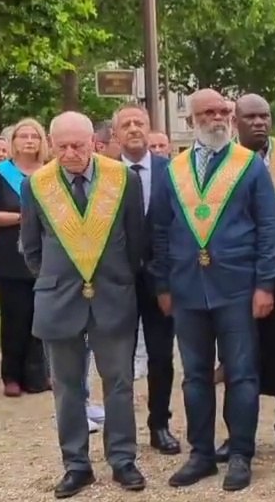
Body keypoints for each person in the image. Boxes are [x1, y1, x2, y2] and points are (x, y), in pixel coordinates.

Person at [150, 89, 275, 492]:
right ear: (191, 121)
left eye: (223, 110)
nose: (218, 117)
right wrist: (162, 284)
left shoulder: (250, 166)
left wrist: (265, 283)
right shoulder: (173, 170)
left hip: (239, 287)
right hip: (187, 289)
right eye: (207, 112)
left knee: (242, 374)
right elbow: (159, 230)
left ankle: (240, 453)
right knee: (194, 376)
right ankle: (201, 453)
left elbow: (268, 227)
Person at [22, 111, 147, 499]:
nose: (71, 153)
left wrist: (115, 277)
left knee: (119, 383)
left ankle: (123, 460)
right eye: (62, 147)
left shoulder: (122, 179)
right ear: (51, 144)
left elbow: (136, 241)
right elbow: (31, 248)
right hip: (59, 297)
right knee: (67, 387)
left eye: (78, 145)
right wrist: (60, 277)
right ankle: (76, 465)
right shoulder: (37, 185)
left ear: (94, 141)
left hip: (113, 293)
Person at [230, 93, 275, 464]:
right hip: (237, 275)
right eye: (251, 117)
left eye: (265, 116)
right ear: (235, 122)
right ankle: (238, 434)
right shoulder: (225, 160)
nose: (260, 123)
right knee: (238, 359)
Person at [111, 103, 182, 455]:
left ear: (150, 128)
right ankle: (121, 431)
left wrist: (167, 281)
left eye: (139, 122)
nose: (134, 128)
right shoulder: (106, 174)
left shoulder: (171, 171)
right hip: (118, 281)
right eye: (126, 124)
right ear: (116, 134)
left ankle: (160, 424)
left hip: (160, 280)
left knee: (160, 356)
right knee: (118, 358)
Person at [0, 118, 51, 397]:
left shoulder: (49, 172)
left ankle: (38, 374)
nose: (28, 141)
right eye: (23, 136)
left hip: (45, 255)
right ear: (14, 142)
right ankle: (11, 375)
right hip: (9, 256)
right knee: (14, 317)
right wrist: (26, 218)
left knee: (41, 316)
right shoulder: (1, 173)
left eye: (34, 136)